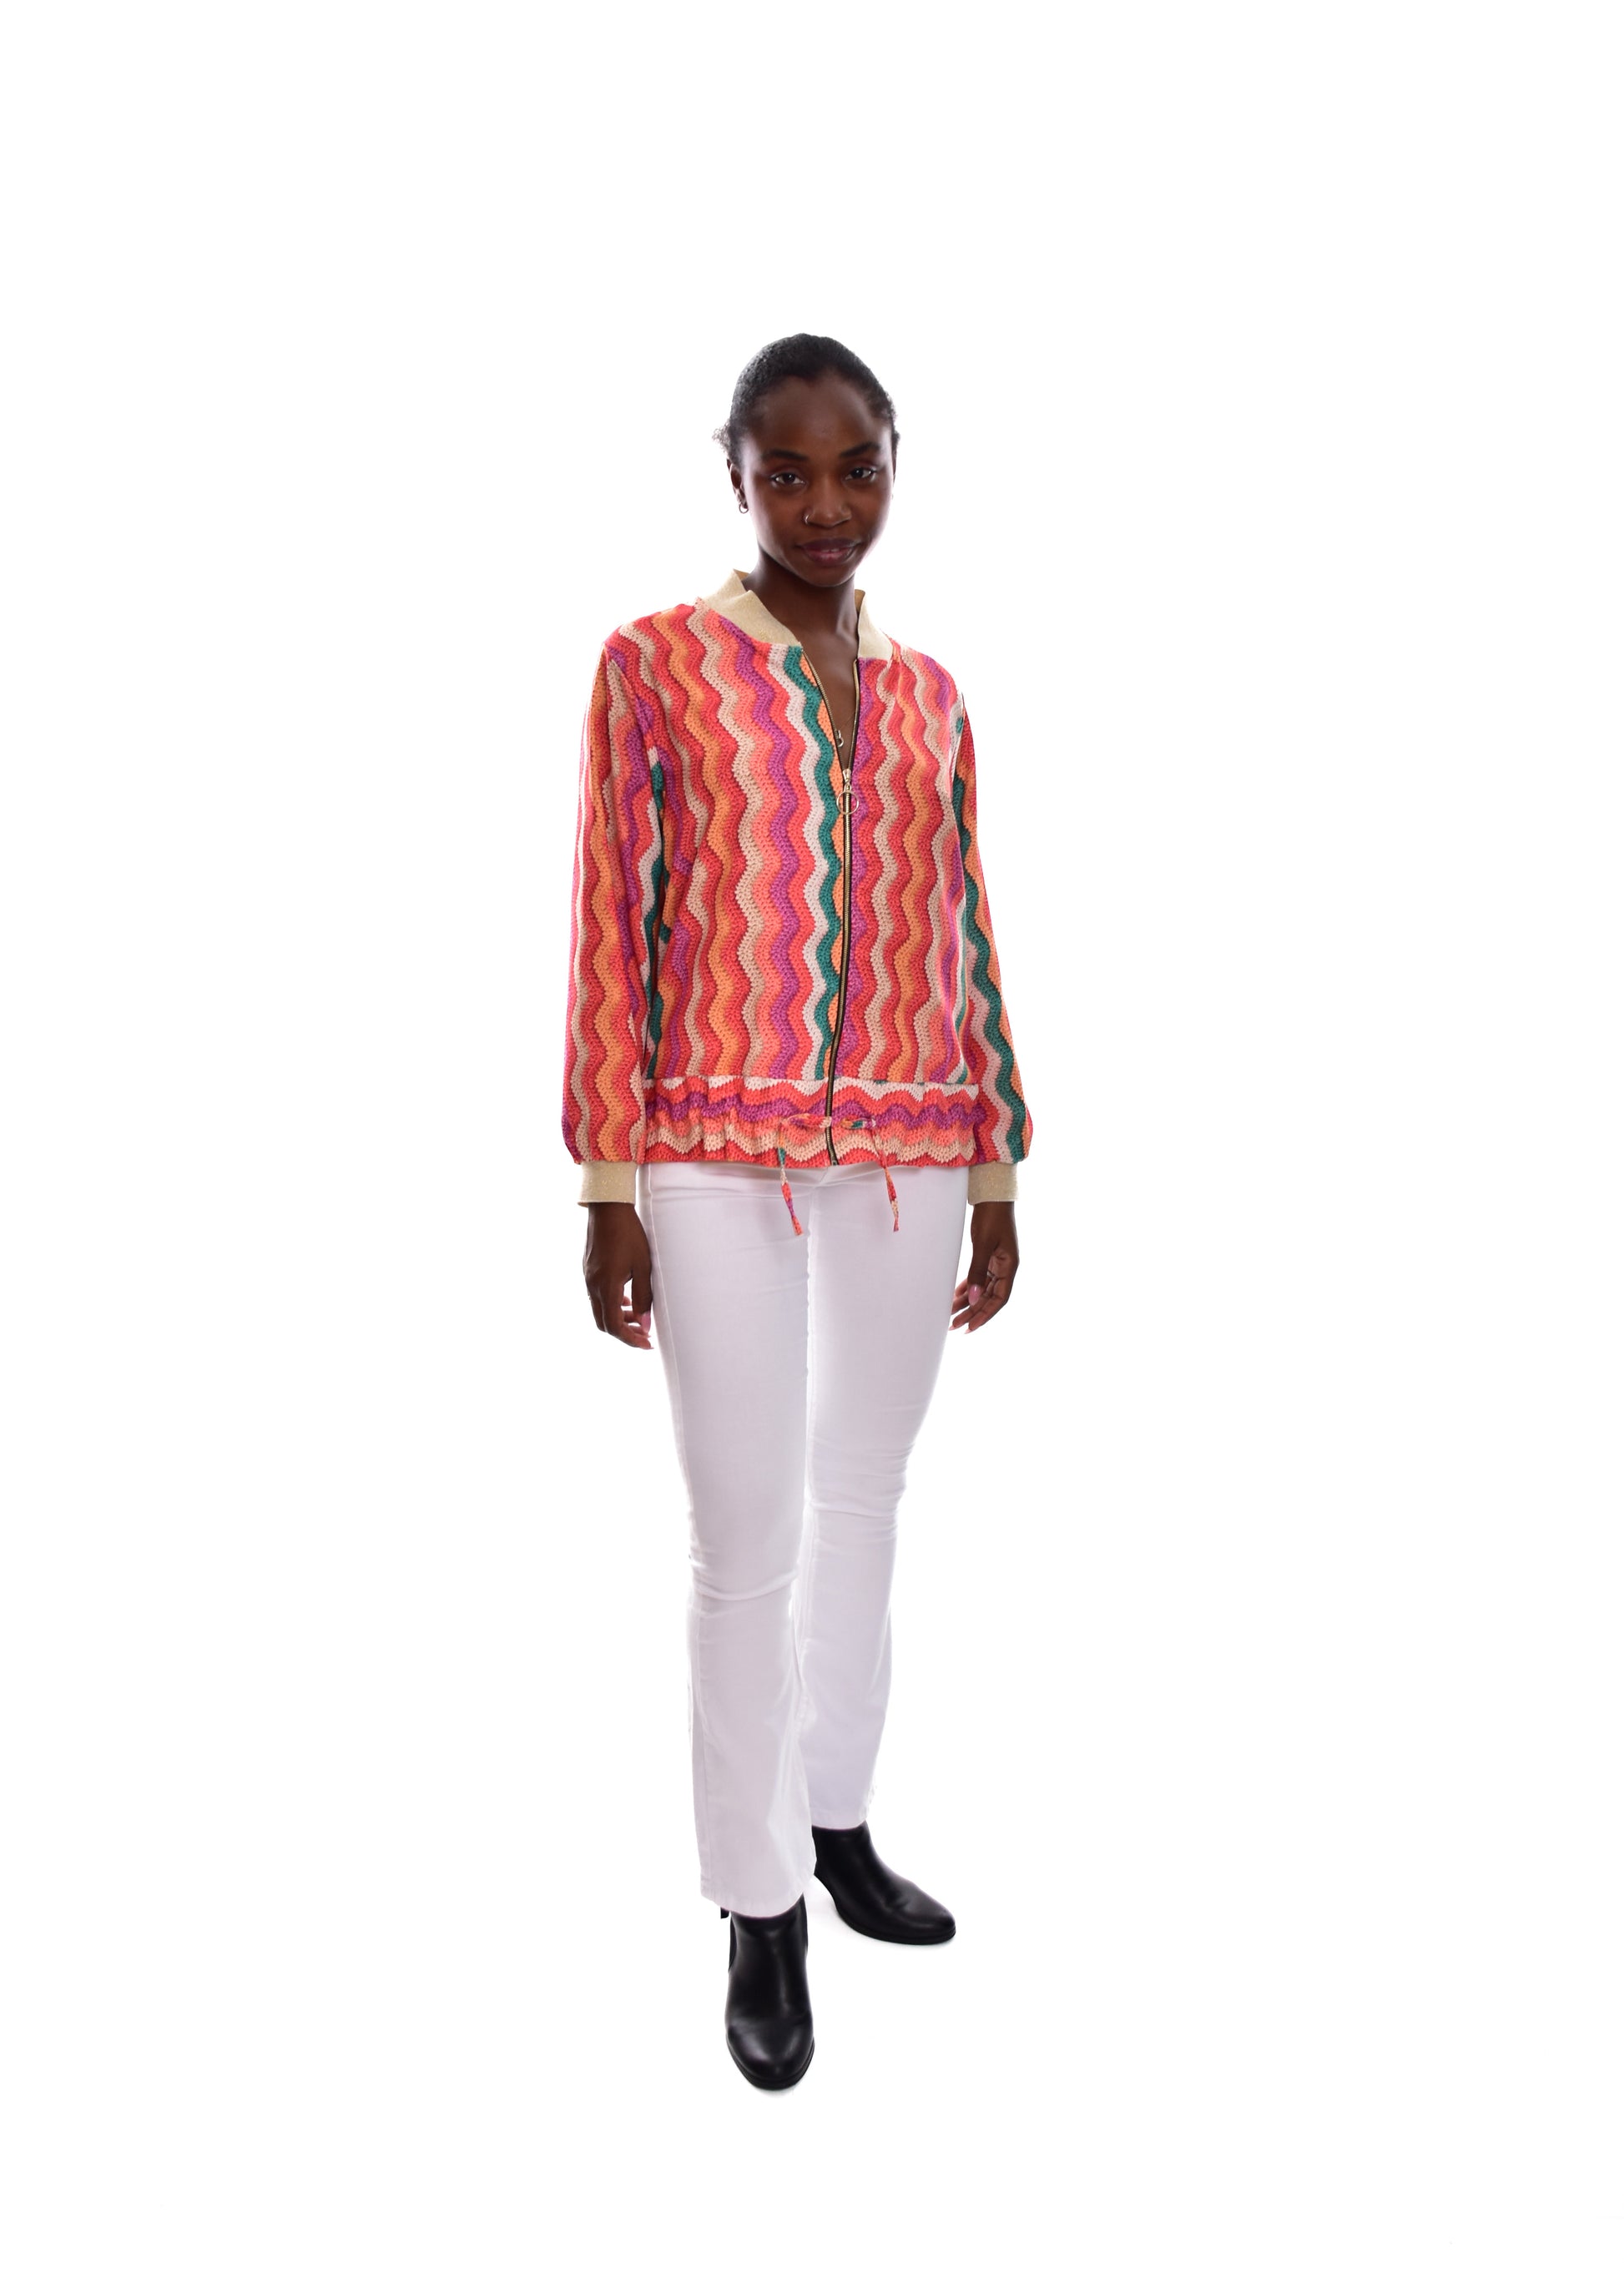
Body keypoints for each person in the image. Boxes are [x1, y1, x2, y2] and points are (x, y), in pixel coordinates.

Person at [560, 335, 1033, 2089]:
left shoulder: (931, 695)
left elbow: (963, 924)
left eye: (858, 467)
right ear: (737, 477)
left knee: (865, 1498)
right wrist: (607, 1181)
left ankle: (835, 1824)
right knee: (743, 1534)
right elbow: (610, 921)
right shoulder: (654, 666)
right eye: (789, 473)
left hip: (907, 1140)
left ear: (894, 466)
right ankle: (756, 1905)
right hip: (705, 1145)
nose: (827, 505)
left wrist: (995, 1162)